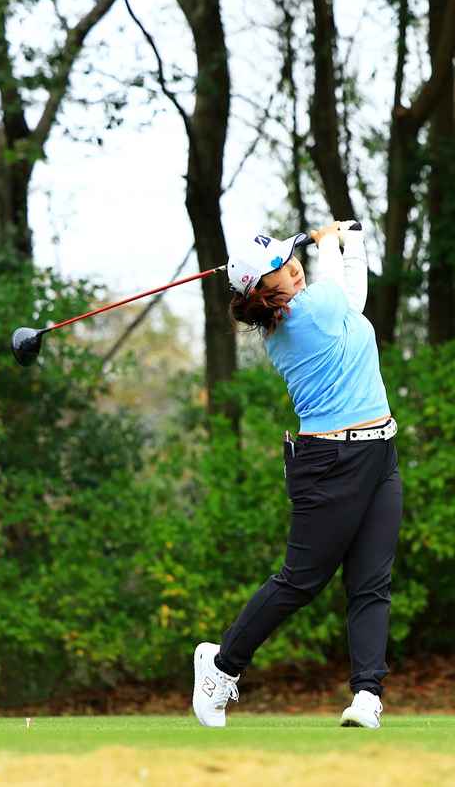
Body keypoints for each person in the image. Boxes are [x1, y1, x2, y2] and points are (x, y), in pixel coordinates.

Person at [191, 221, 403, 730]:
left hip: (380, 452)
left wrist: (354, 242)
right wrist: (329, 239)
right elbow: (338, 289)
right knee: (302, 581)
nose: (293, 268)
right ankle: (221, 667)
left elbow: (352, 298)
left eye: (290, 259)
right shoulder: (302, 320)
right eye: (279, 270)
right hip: (330, 462)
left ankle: (367, 695)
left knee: (371, 581)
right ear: (263, 293)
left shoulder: (321, 308)